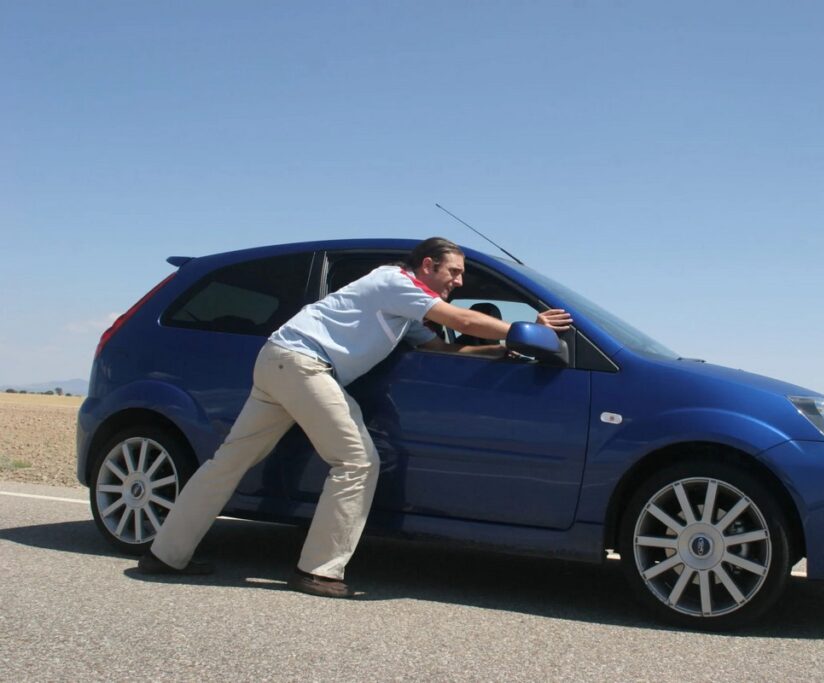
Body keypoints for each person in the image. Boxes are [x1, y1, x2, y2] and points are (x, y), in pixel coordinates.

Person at [137, 237, 573, 598]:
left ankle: (165, 553)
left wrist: (502, 350)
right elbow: (460, 320)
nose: (459, 281)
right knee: (358, 461)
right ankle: (319, 571)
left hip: (281, 360)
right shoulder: (394, 282)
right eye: (453, 272)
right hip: (304, 363)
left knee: (229, 460)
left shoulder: (405, 307)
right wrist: (524, 327)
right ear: (427, 265)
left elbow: (439, 347)